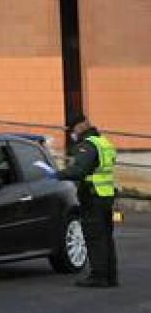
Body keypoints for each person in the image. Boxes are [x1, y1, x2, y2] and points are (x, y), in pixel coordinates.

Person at [56, 114, 119, 288]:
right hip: (106, 195)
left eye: (73, 128)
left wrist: (58, 174)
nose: (72, 133)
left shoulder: (88, 145)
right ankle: (110, 275)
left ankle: (98, 276)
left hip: (93, 196)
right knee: (106, 237)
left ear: (81, 126)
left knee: (94, 236)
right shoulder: (103, 142)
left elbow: (79, 170)